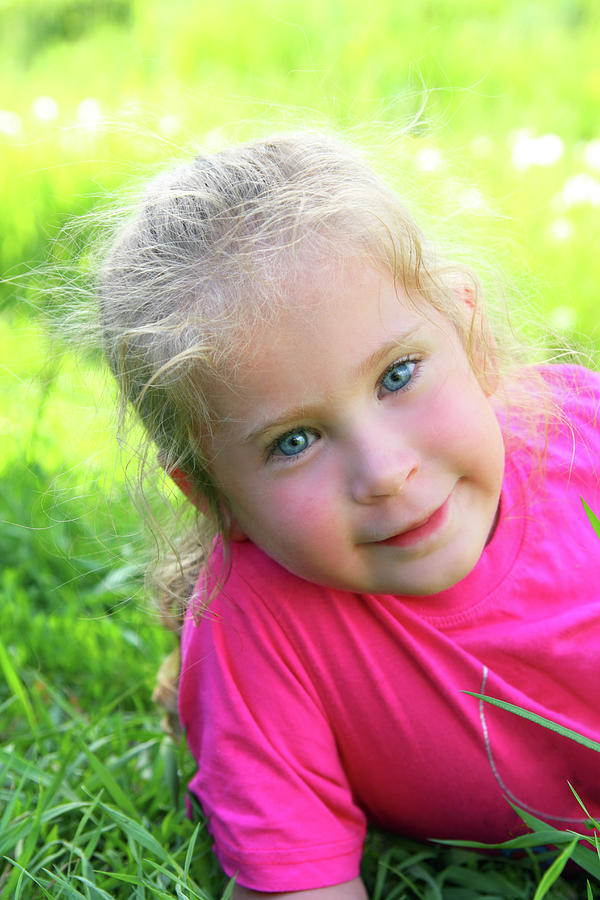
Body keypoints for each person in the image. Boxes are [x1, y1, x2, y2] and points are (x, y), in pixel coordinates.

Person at [97, 131, 600, 899]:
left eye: (398, 375)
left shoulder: (583, 441)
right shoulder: (259, 627)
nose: (385, 472)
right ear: (213, 497)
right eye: (293, 441)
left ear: (469, 333)